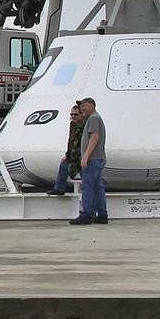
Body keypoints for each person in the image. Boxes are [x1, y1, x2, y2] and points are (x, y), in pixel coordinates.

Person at [69, 96, 108, 226]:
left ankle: (87, 214)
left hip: (92, 159)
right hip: (98, 158)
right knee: (97, 188)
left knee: (87, 187)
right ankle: (102, 214)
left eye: (83, 106)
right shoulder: (95, 118)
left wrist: (85, 156)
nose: (81, 109)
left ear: (92, 105)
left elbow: (94, 137)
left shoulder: (93, 119)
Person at [50, 101, 86, 197]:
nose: (73, 116)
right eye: (72, 114)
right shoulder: (73, 124)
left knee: (85, 174)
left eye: (75, 114)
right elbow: (71, 140)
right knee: (64, 165)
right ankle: (59, 189)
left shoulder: (86, 125)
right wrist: (67, 154)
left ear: (82, 115)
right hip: (74, 154)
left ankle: (89, 192)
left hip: (82, 154)